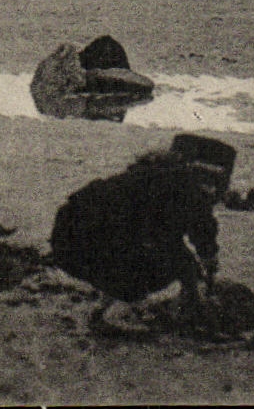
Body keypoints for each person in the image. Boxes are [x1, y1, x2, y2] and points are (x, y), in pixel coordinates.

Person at [50, 134, 235, 330]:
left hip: (66, 242)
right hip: (89, 245)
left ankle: (113, 301)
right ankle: (121, 310)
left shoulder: (151, 176)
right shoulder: (185, 190)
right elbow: (198, 231)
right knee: (163, 263)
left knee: (142, 249)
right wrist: (207, 262)